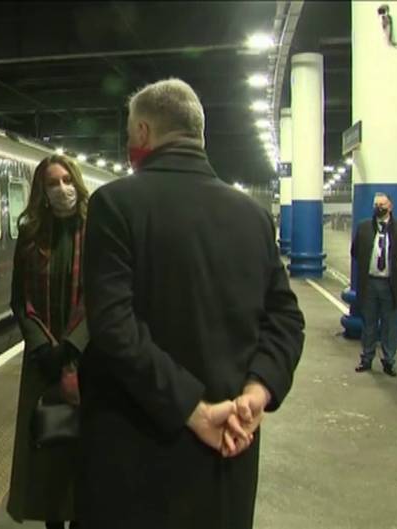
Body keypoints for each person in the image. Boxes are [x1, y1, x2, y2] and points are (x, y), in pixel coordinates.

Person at [78, 78, 305, 529]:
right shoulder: (253, 216)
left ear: (143, 133)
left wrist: (193, 410)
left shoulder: (114, 204)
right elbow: (286, 319)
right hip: (230, 450)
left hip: (137, 457)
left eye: (129, 135)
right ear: (199, 133)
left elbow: (113, 326)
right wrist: (255, 395)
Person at [6, 155, 89, 529]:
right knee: (47, 451)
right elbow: (20, 298)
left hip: (88, 360)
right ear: (42, 190)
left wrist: (73, 345)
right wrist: (43, 345)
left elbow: (103, 294)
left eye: (67, 180)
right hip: (43, 362)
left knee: (85, 454)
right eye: (53, 183)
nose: (61, 189)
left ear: (78, 182)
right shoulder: (31, 234)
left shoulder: (97, 230)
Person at [350, 192, 397, 376]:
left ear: (390, 206)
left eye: (383, 204)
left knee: (389, 325)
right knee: (368, 323)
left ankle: (389, 361)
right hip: (369, 283)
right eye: (376, 204)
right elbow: (355, 252)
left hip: (390, 284)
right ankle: (366, 359)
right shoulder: (363, 228)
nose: (379, 207)